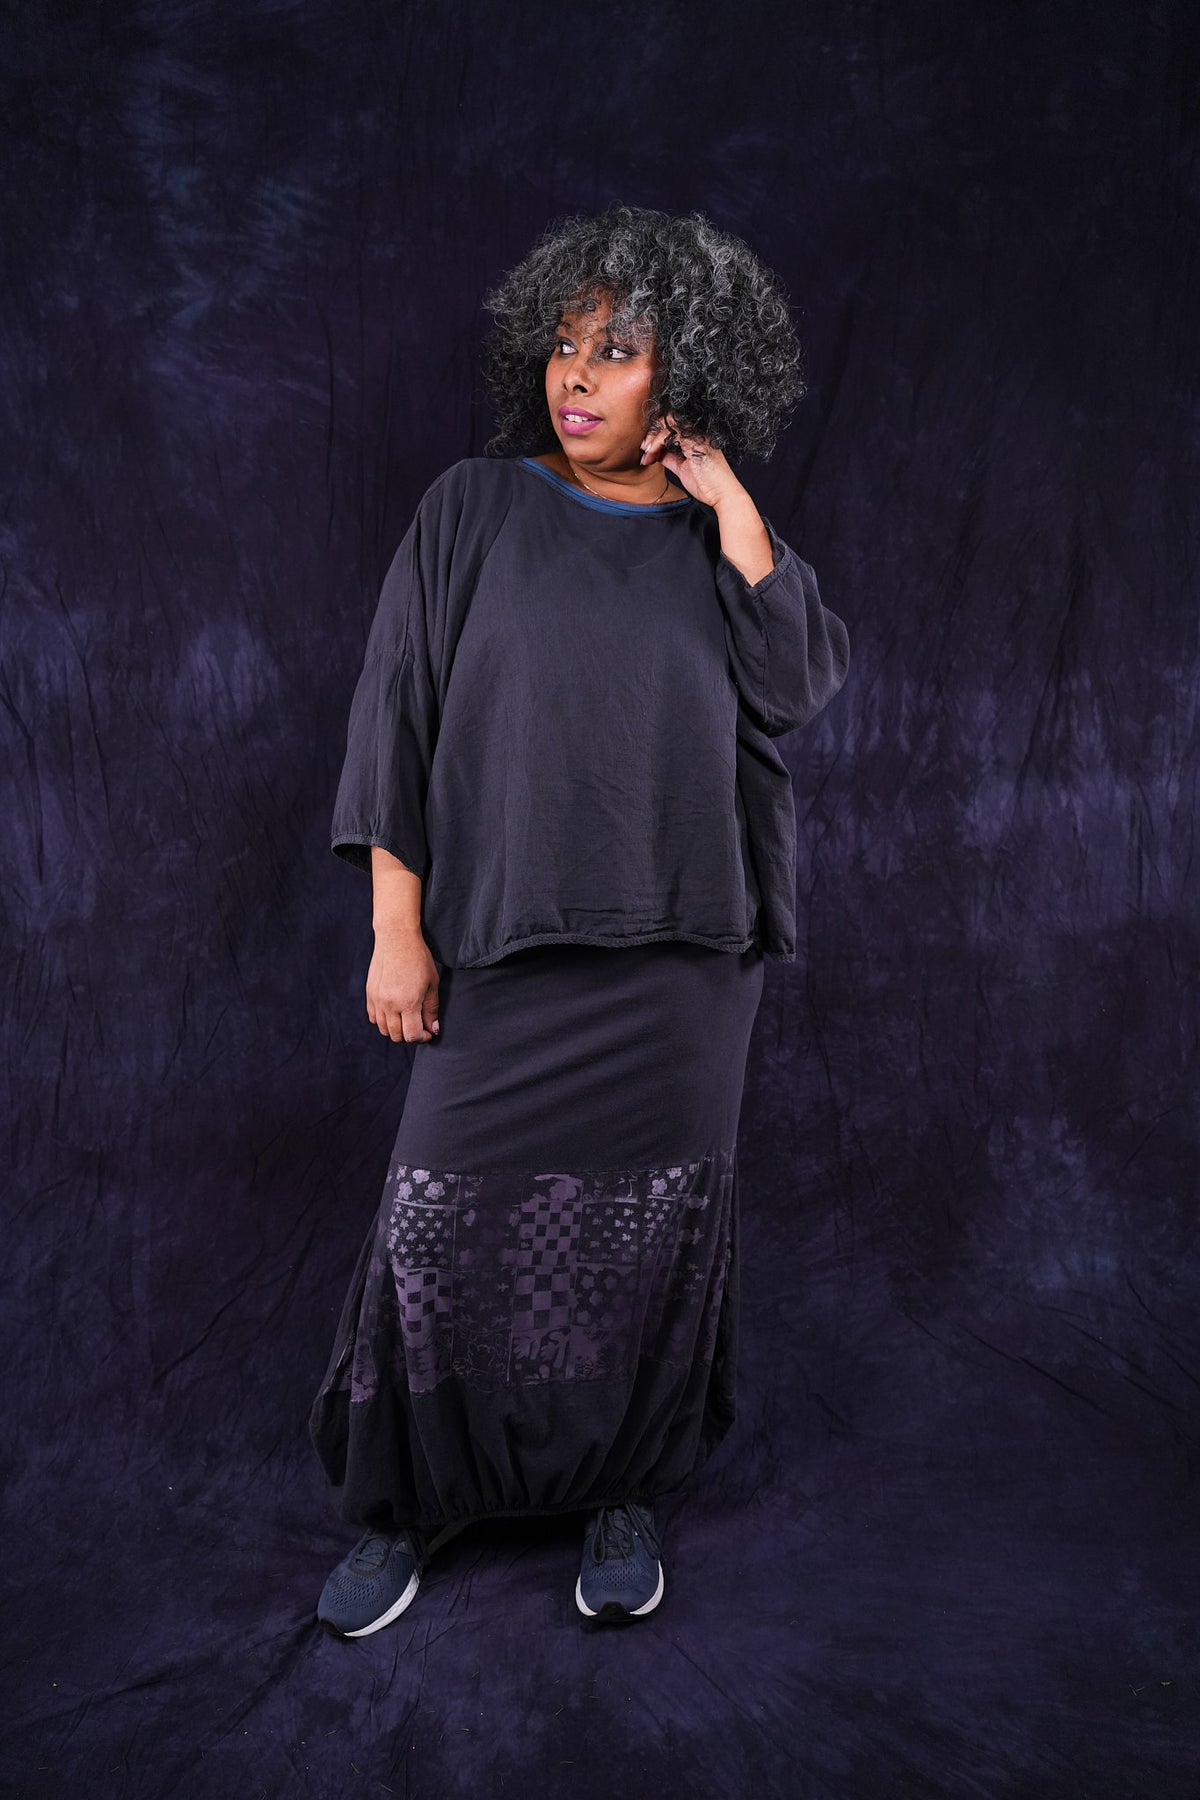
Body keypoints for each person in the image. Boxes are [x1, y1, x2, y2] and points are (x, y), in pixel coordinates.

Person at [308, 204, 850, 1635]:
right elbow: (394, 722)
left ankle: (624, 1486)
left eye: (617, 351)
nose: (577, 375)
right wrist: (396, 930)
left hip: (685, 964)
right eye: (565, 345)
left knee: (646, 1246)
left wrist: (730, 504)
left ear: (687, 373)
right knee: (440, 1239)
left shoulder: (717, 543)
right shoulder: (469, 510)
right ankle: (410, 1504)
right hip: (500, 944)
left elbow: (796, 686)